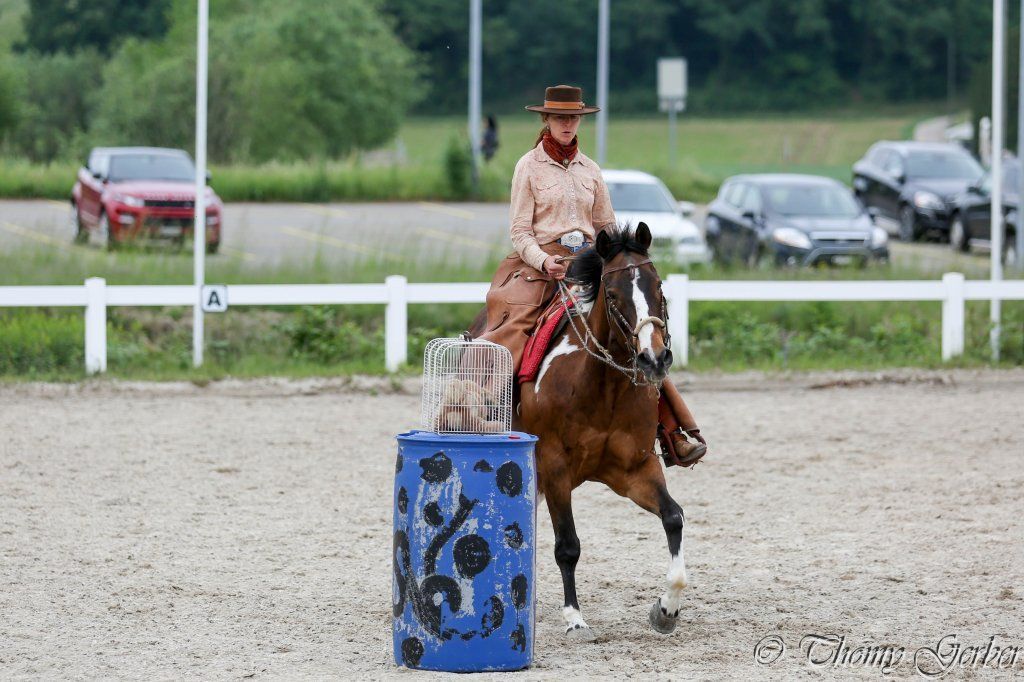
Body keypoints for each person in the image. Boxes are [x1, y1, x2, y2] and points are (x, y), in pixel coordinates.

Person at [476, 84, 707, 467]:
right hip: (540, 265)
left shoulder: (591, 170)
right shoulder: (527, 167)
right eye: (560, 118)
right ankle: (492, 411)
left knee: (637, 333)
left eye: (573, 118)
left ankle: (673, 431)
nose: (567, 124)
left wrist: (612, 259)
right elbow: (519, 230)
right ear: (546, 121)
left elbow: (605, 225)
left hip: (588, 262)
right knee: (518, 327)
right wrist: (542, 260)